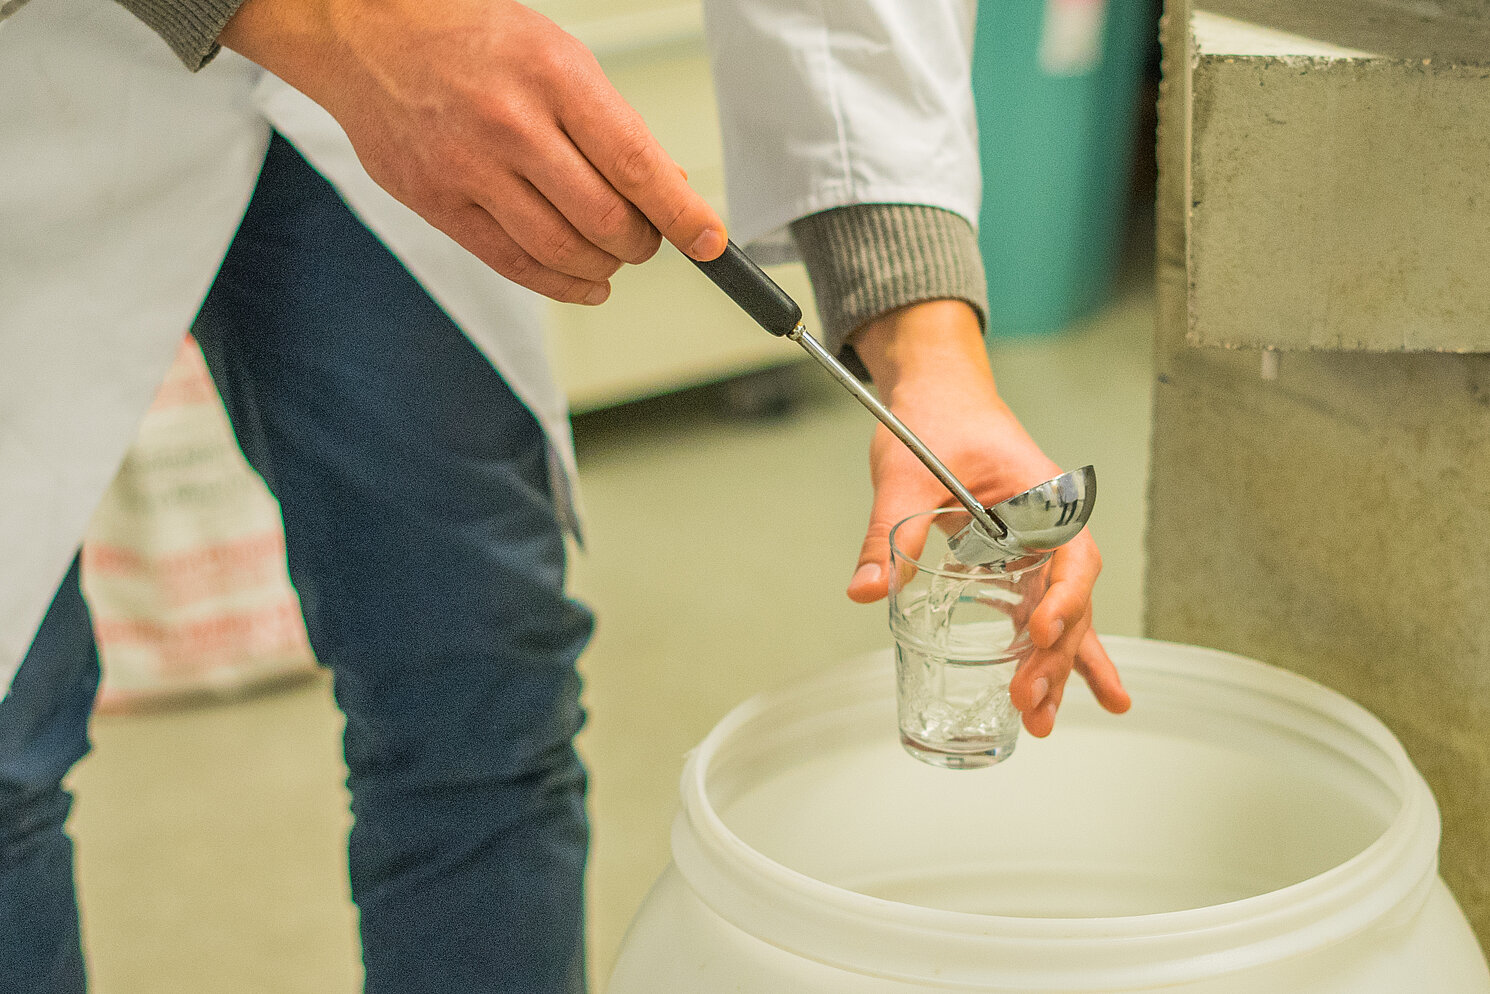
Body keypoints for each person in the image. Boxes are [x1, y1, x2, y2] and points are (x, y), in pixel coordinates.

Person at [0, 0, 1132, 990]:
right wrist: (328, 20)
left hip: (403, 61)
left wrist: (923, 337)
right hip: (35, 69)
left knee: (476, 695)